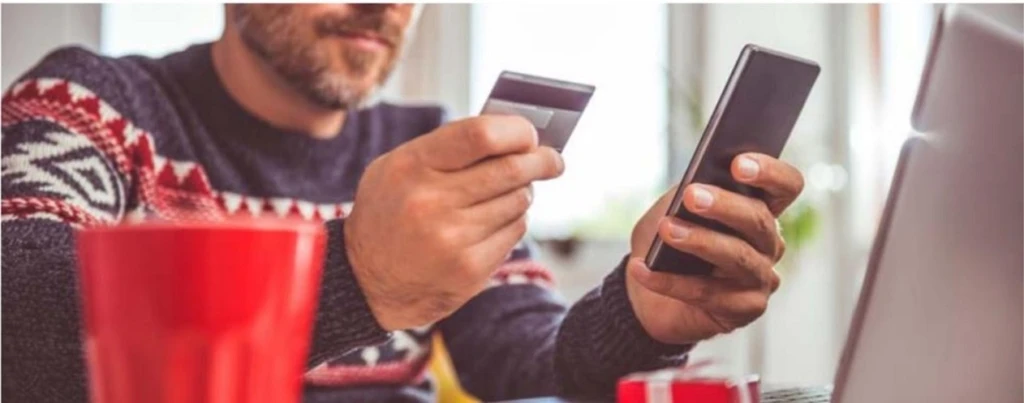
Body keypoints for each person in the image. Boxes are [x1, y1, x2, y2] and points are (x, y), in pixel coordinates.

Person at [1, 4, 804, 402]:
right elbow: (16, 320)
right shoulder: (93, 100)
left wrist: (644, 313)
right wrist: (357, 273)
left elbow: (528, 359)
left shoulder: (426, 145)